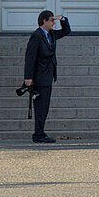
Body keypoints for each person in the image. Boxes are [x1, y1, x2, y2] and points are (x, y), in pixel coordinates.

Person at [23, 11, 71, 143]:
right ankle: (38, 134)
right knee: (40, 106)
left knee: (45, 106)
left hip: (48, 75)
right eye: (51, 20)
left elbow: (66, 31)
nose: (53, 23)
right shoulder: (37, 36)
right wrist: (28, 77)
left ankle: (40, 132)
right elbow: (30, 57)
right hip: (39, 76)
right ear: (44, 21)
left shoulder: (51, 34)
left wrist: (62, 18)